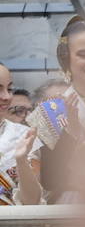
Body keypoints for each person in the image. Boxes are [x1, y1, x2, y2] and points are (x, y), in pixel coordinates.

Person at [26, 16, 85, 204]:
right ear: (66, 59)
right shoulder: (49, 111)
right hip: (70, 206)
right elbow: (51, 180)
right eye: (83, 55)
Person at [0, 63, 40, 205]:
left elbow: (32, 203)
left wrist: (21, 160)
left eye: (9, 89)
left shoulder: (24, 136)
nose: (6, 96)